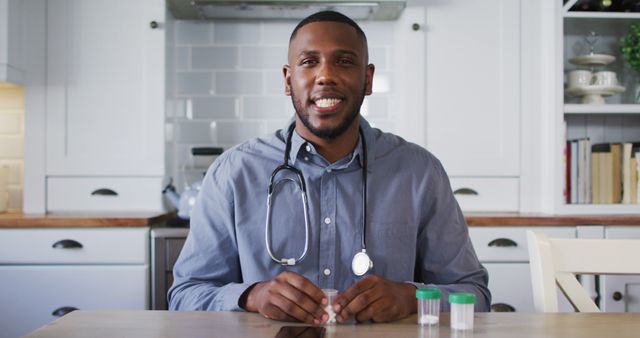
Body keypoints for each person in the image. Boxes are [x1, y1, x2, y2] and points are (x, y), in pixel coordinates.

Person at [168, 10, 490, 324]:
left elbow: (474, 294)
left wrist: (410, 297)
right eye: (309, 62)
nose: (326, 75)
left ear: (368, 79)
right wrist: (251, 296)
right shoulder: (233, 173)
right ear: (288, 79)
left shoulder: (420, 173)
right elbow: (184, 295)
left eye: (345, 61)